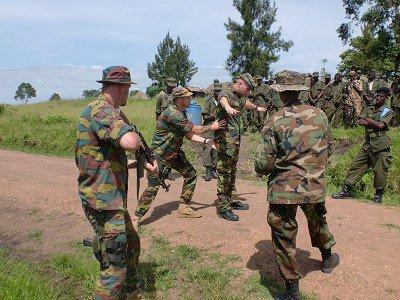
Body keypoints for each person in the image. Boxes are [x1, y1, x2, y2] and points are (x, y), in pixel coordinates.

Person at [75, 66, 158, 300]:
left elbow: (101, 159)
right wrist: (133, 134)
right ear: (122, 88)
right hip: (103, 202)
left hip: (110, 198)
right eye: (128, 89)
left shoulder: (101, 110)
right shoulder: (102, 111)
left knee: (131, 243)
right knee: (115, 267)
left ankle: (132, 292)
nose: (128, 94)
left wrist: (142, 164)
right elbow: (130, 141)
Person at [255, 70, 339, 300]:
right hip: (313, 185)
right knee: (318, 221)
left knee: (284, 235)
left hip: (284, 190)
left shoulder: (274, 120)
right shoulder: (320, 114)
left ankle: (292, 289)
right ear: (301, 90)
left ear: (280, 94)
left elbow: (264, 163)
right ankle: (328, 259)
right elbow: (329, 149)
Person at [133, 87, 226, 228]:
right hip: (160, 156)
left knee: (191, 174)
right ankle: (136, 218)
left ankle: (183, 207)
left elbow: (188, 134)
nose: (191, 99)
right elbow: (196, 129)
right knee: (153, 187)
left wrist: (207, 141)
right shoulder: (172, 113)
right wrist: (213, 127)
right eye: (188, 97)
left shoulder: (181, 112)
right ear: (180, 99)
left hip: (174, 154)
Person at [214, 73, 266, 221]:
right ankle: (224, 208)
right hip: (225, 142)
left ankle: (232, 200)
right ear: (241, 83)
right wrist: (227, 107)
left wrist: (256, 107)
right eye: (247, 89)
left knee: (232, 172)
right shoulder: (227, 92)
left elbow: (245, 103)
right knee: (224, 174)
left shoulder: (239, 97)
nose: (248, 93)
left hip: (235, 141)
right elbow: (222, 99)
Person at [332, 87, 393, 203]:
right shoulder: (369, 107)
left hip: (381, 145)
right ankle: (345, 190)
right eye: (378, 95)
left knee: (379, 171)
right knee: (356, 166)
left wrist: (369, 120)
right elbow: (360, 121)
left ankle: (378, 195)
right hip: (368, 143)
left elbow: (381, 126)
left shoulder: (387, 111)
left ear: (386, 98)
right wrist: (373, 122)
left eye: (381, 96)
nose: (378, 98)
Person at [201, 80, 222, 181]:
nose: (218, 93)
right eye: (217, 91)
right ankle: (208, 171)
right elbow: (205, 117)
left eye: (220, 91)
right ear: (214, 92)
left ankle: (214, 170)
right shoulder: (209, 101)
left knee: (216, 149)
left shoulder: (222, 102)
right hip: (208, 128)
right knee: (208, 149)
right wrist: (214, 116)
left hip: (218, 129)